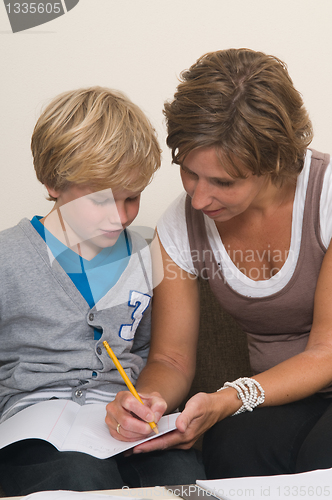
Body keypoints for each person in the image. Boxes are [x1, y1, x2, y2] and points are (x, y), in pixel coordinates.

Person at [106, 49, 332, 479]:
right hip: (287, 400)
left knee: (322, 461)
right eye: (189, 172)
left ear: (275, 161)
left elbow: (326, 351)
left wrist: (230, 397)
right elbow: (171, 358)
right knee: (232, 448)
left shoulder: (326, 196)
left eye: (223, 182)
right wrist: (147, 400)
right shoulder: (181, 224)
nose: (198, 199)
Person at [0, 87, 205, 496]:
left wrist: (145, 403)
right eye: (101, 201)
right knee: (79, 479)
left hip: (123, 426)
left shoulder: (149, 257)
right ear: (52, 182)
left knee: (183, 473)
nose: (121, 216)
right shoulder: (8, 257)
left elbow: (161, 359)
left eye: (132, 198)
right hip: (30, 431)